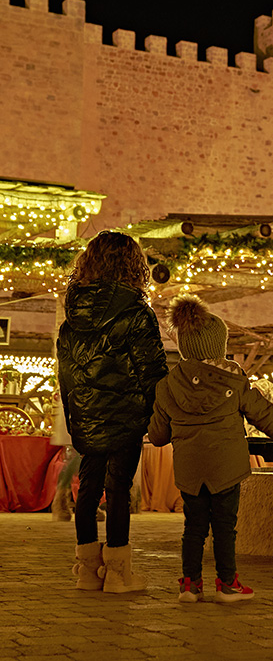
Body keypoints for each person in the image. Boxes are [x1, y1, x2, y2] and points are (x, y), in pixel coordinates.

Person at [148, 294, 273, 604]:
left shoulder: (167, 384)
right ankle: (228, 584)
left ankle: (190, 584)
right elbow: (262, 413)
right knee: (225, 527)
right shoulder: (236, 381)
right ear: (218, 345)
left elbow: (158, 435)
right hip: (227, 466)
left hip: (189, 469)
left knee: (194, 527)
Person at [57, 230, 168, 592]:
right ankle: (118, 572)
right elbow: (152, 369)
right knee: (118, 488)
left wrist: (77, 411)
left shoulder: (72, 314)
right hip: (125, 413)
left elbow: (66, 373)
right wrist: (159, 413)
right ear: (133, 266)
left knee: (88, 487)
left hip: (86, 413)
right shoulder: (136, 313)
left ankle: (87, 569)